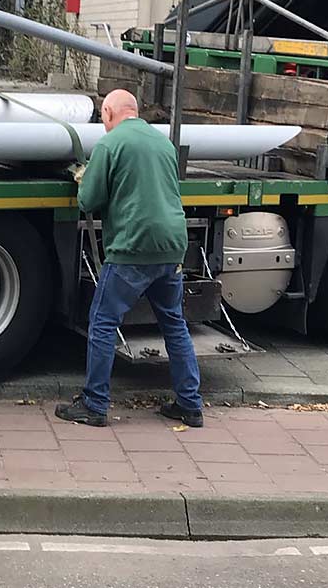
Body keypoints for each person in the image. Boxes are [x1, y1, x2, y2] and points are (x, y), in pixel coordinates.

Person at [55, 89, 204, 428]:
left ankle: (94, 405)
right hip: (171, 245)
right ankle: (190, 405)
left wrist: (82, 177)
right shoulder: (163, 142)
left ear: (108, 113)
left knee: (104, 322)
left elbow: (89, 200)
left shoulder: (110, 144)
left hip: (133, 246)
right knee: (174, 324)